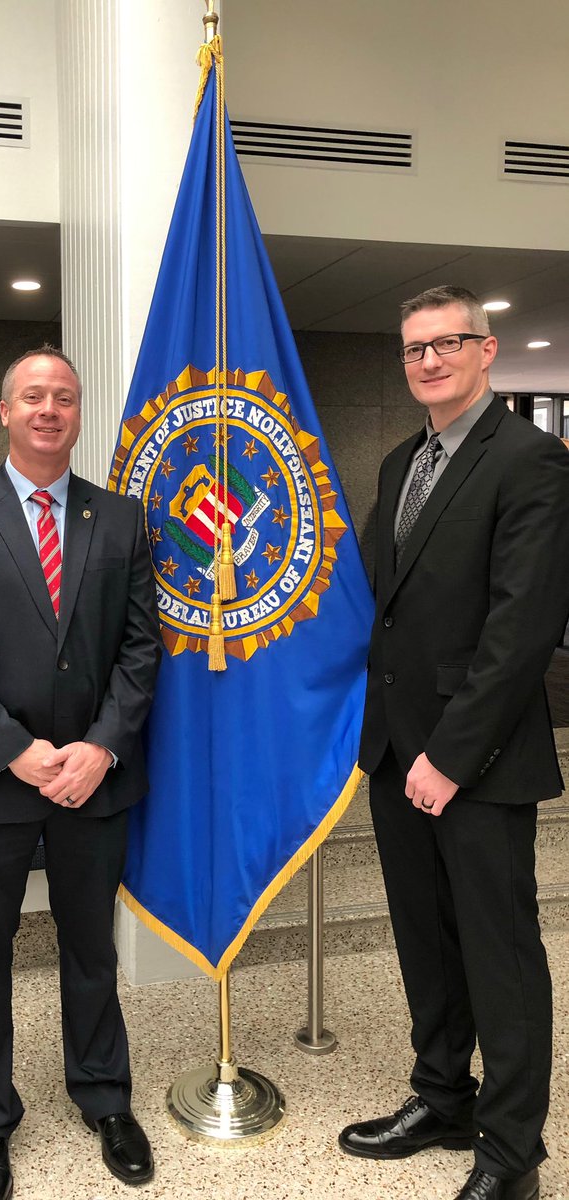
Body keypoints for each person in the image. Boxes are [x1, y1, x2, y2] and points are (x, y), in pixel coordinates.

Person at [0, 346, 161, 1200]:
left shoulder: (122, 520)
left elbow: (140, 647)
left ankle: (104, 1097)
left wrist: (102, 745)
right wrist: (17, 750)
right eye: (33, 396)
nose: (49, 409)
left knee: (92, 947)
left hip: (95, 779)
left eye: (64, 397)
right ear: (6, 411)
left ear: (77, 414)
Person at [339, 286, 569, 1200]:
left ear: (487, 349)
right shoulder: (403, 464)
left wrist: (448, 759)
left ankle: (513, 1153)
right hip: (398, 755)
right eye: (413, 349)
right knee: (425, 944)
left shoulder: (534, 460)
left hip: (478, 763)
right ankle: (443, 1096)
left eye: (448, 343)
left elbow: (524, 630)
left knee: (500, 955)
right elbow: (380, 605)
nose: (429, 360)